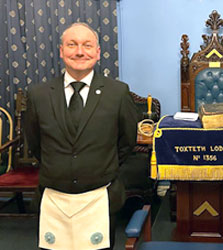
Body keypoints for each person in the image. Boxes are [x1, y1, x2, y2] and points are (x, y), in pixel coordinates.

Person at [25, 22, 140, 250]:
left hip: (98, 199)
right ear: (61, 51)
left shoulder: (118, 93)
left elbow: (127, 142)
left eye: (87, 45)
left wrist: (98, 166)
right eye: (72, 44)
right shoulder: (38, 95)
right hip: (53, 200)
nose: (79, 51)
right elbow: (35, 142)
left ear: (97, 52)